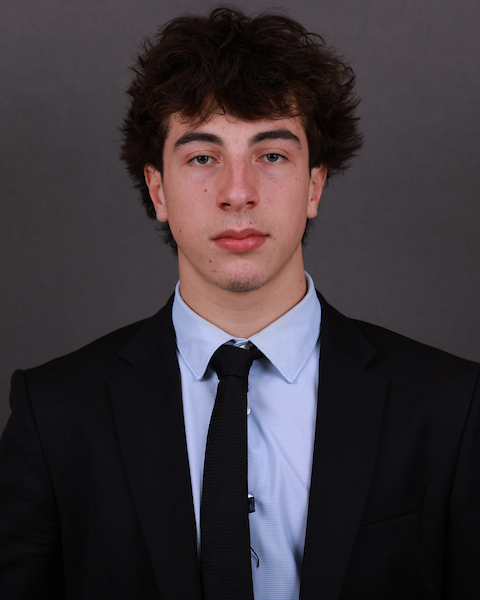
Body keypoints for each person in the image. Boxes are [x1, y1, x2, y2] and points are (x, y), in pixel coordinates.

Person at [0, 6, 479, 600]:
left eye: (271, 155)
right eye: (203, 157)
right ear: (158, 190)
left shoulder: (449, 407)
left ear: (314, 185)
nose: (237, 193)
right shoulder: (55, 414)